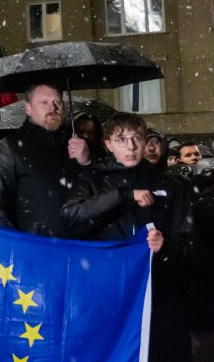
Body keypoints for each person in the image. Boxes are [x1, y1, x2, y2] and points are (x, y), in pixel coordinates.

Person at [61, 112, 193, 361]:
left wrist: (166, 247)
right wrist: (123, 196)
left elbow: (189, 243)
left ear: (146, 141)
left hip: (159, 298)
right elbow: (71, 219)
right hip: (108, 295)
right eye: (121, 139)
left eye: (136, 138)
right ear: (108, 144)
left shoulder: (172, 185)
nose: (130, 147)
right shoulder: (92, 181)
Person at [0, 83, 92, 237]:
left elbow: (99, 192)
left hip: (81, 246)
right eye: (44, 102)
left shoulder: (78, 145)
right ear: (28, 108)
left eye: (57, 102)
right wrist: (17, 246)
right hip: (35, 249)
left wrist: (87, 162)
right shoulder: (10, 147)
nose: (52, 108)